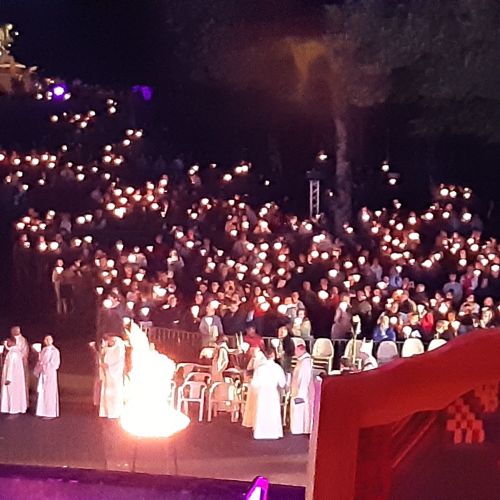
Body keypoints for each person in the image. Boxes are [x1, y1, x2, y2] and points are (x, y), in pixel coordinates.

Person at [251, 349, 286, 440]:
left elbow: (254, 384)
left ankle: (261, 433)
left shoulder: (260, 368)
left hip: (262, 393)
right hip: (273, 392)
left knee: (262, 412)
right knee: (273, 412)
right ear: (273, 356)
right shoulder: (277, 368)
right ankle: (273, 432)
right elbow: (282, 383)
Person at [290, 339, 314, 435]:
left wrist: (301, 395)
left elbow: (305, 379)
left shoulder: (306, 362)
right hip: (297, 390)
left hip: (302, 393)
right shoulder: (301, 360)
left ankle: (301, 429)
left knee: (301, 411)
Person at [34, 335, 61, 419]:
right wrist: (38, 368)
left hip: (50, 375)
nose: (47, 341)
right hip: (43, 374)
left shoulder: (55, 351)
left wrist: (44, 366)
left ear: (52, 340)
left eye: (49, 339)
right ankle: (42, 411)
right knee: (42, 393)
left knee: (50, 393)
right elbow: (40, 361)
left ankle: (50, 413)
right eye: (46, 339)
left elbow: (55, 364)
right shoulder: (43, 350)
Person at [99, 335, 126, 419]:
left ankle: (114, 412)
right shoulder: (107, 348)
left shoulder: (119, 348)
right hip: (107, 375)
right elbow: (102, 357)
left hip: (115, 376)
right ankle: (106, 411)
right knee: (106, 394)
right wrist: (102, 365)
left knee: (115, 394)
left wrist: (110, 367)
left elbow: (120, 362)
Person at [242, 346, 267, 428]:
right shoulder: (254, 358)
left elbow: (256, 370)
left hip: (258, 385)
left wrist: (249, 372)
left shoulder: (260, 358)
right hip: (252, 383)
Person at [1, 338, 27, 415]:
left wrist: (8, 378)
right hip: (16, 378)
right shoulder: (16, 352)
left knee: (12, 394)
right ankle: (17, 408)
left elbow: (10, 366)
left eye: (8, 341)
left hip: (12, 378)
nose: (6, 343)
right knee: (16, 393)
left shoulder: (13, 353)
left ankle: (13, 409)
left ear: (12, 342)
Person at [10, 326, 29, 400]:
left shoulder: (22, 340)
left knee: (22, 383)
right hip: (13, 365)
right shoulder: (12, 340)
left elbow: (24, 352)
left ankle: (23, 401)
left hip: (20, 364)